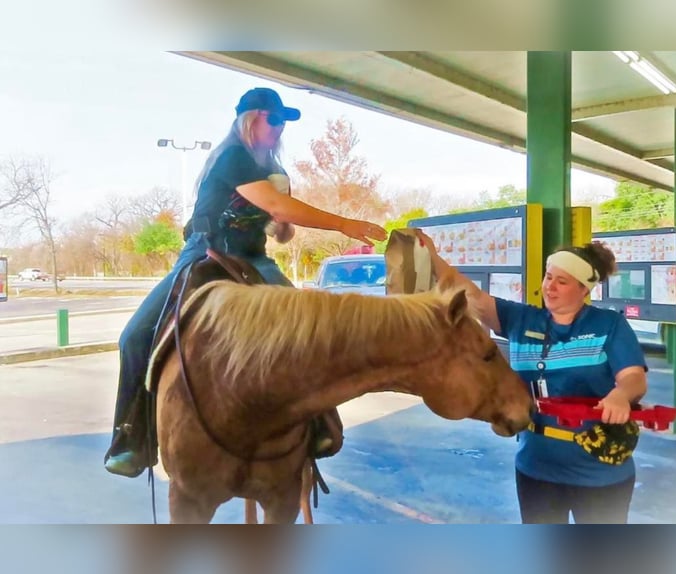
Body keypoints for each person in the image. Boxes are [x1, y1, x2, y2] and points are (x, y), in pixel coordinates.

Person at [104, 87, 388, 478]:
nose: (280, 128)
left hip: (253, 257)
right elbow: (275, 205)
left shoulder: (272, 170)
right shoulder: (233, 156)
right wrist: (342, 223)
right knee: (135, 337)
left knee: (307, 324)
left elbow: (280, 228)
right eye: (275, 119)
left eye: (284, 122)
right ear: (251, 118)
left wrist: (284, 223)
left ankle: (321, 421)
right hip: (206, 253)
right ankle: (131, 439)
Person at [416, 230, 647, 524]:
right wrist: (432, 256)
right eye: (548, 277)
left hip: (599, 472)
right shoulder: (521, 319)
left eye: (562, 281)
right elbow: (469, 292)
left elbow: (634, 378)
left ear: (584, 290)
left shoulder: (609, 325)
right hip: (535, 468)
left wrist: (620, 395)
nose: (550, 287)